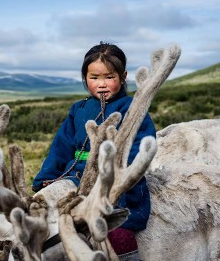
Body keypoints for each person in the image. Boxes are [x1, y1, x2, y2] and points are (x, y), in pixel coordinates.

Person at [32, 41, 156, 260]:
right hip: (75, 179)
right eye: (94, 78)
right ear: (84, 77)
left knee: (117, 233)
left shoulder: (133, 109)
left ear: (123, 75)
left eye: (109, 77)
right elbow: (61, 146)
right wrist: (48, 177)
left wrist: (116, 176)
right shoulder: (78, 109)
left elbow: (139, 149)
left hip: (116, 186)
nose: (101, 84)